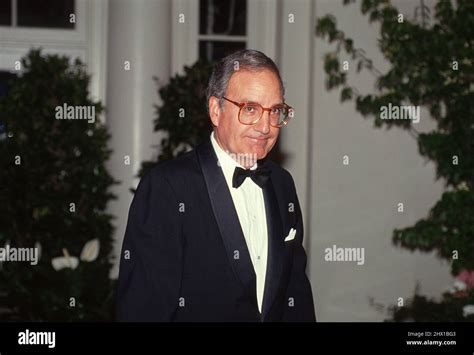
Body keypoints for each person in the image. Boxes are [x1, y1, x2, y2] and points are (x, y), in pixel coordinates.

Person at [117, 49, 316, 322]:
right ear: (215, 110)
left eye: (275, 111)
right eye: (250, 109)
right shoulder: (167, 187)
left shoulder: (282, 185)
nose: (265, 126)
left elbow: (296, 297)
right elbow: (143, 311)